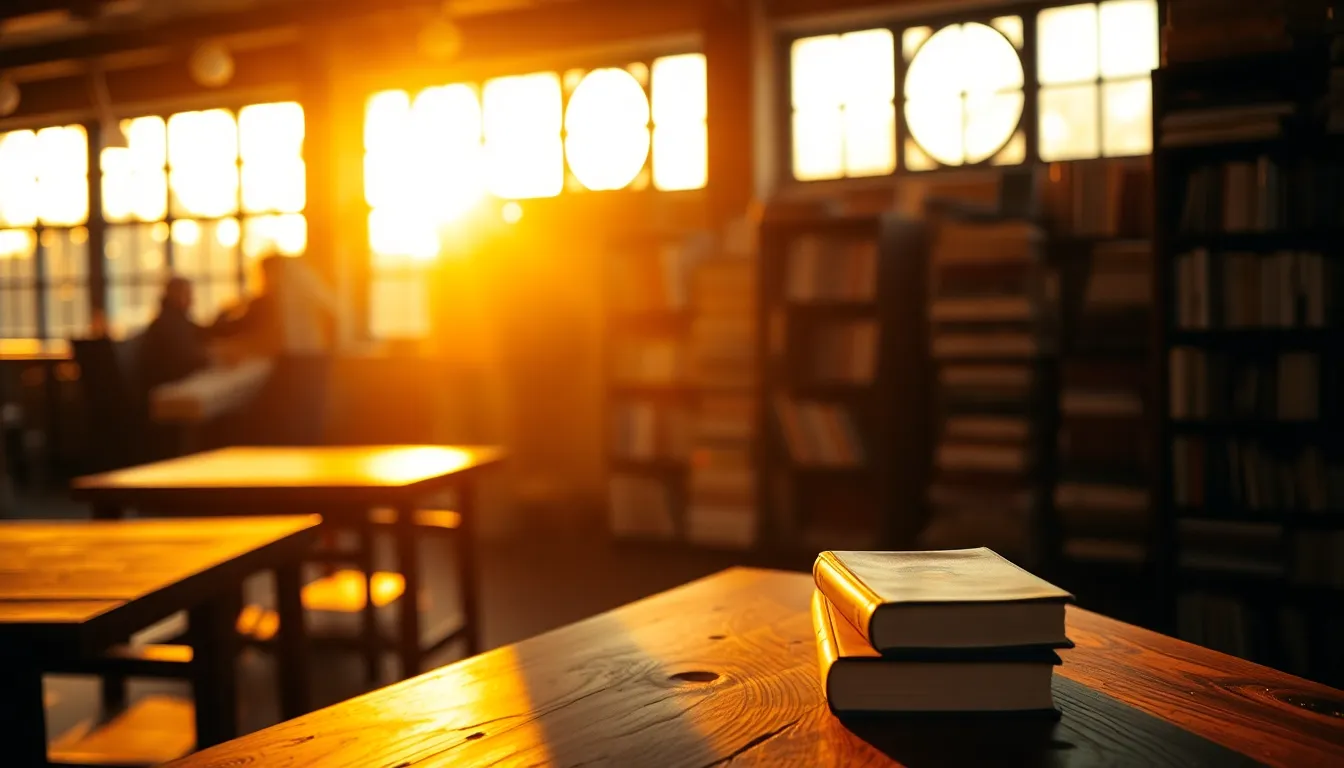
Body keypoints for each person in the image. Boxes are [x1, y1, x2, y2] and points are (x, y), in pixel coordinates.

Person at [137, 275, 212, 391]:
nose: (192, 300)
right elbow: (185, 360)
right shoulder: (168, 325)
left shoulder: (177, 320)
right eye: (188, 294)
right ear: (176, 295)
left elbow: (203, 333)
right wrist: (212, 357)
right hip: (165, 390)